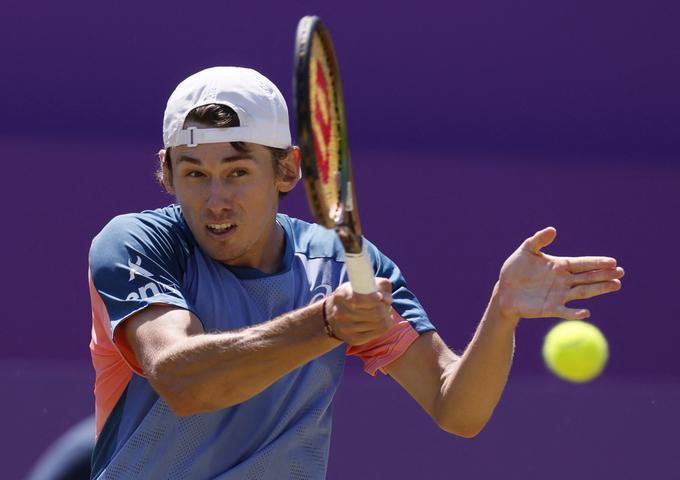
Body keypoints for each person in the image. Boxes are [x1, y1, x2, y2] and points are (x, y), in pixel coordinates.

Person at [88, 66, 624, 479]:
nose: (216, 199)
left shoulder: (340, 263)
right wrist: (324, 325)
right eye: (194, 174)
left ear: (288, 169)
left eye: (238, 171)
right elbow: (183, 380)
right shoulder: (136, 244)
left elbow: (455, 406)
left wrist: (502, 310)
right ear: (167, 173)